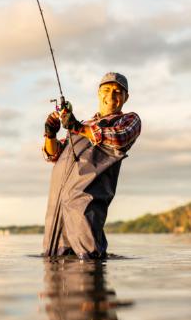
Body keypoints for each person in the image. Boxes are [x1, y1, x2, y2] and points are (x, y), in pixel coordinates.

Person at [41, 72, 141, 259]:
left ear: (126, 98)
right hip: (56, 215)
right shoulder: (83, 125)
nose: (111, 96)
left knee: (87, 265)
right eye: (106, 90)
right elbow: (52, 154)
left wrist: (76, 126)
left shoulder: (129, 120)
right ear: (98, 93)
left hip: (85, 213)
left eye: (118, 92)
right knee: (52, 268)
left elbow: (119, 138)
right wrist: (50, 133)